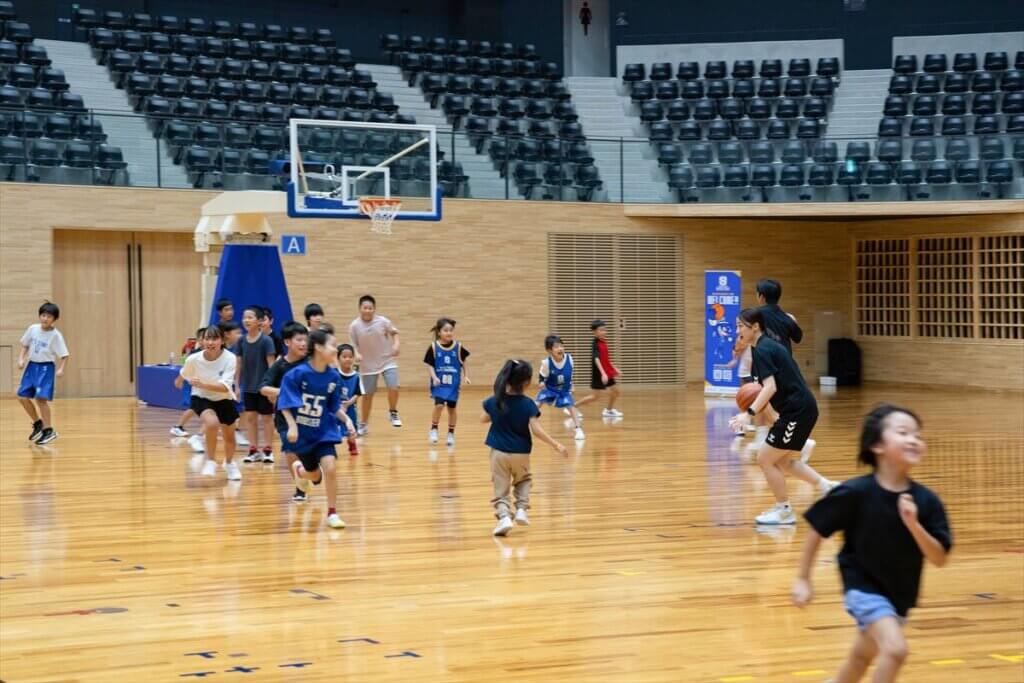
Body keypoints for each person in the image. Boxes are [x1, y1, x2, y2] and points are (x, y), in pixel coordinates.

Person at [793, 405, 952, 683]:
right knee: (896, 649)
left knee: (861, 658)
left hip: (899, 594)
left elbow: (939, 558)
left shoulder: (927, 501)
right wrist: (803, 579)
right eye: (903, 433)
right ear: (878, 445)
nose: (914, 439)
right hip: (862, 587)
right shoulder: (855, 493)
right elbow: (817, 528)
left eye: (918, 435)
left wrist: (914, 525)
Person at [729, 308, 836, 525]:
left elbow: (769, 387)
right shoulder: (764, 347)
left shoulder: (763, 350)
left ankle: (784, 510)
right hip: (798, 409)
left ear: (755, 327)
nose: (737, 329)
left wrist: (748, 414)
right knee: (783, 461)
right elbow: (766, 387)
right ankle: (827, 487)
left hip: (798, 411)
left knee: (765, 458)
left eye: (741, 325)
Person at [277, 328, 355, 529]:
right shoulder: (297, 374)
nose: (336, 350)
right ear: (319, 347)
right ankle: (301, 471)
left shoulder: (333, 377)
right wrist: (292, 425)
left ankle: (332, 513)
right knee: (314, 476)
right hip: (303, 434)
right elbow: (284, 402)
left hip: (324, 431)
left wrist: (347, 421)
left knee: (330, 466)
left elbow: (334, 406)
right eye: (333, 346)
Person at [482, 360, 567, 536]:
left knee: (500, 486)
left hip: (498, 453)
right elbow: (536, 430)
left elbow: (483, 419)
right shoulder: (528, 404)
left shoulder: (494, 401)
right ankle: (521, 509)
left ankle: (504, 517)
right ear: (526, 383)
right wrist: (555, 444)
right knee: (524, 480)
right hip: (521, 453)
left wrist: (498, 413)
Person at [179, 325, 241, 480]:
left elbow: (224, 387)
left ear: (222, 341)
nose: (210, 342)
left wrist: (202, 383)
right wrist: (179, 380)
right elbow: (184, 372)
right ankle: (211, 461)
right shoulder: (193, 359)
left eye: (214, 338)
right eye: (207, 338)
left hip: (223, 398)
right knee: (212, 423)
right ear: (202, 340)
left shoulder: (230, 358)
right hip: (202, 397)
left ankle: (229, 463)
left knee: (229, 438)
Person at [259, 322, 310, 501]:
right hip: (285, 418)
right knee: (290, 452)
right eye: (299, 340)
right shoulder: (280, 365)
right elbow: (264, 388)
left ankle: (307, 475)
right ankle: (300, 488)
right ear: (288, 342)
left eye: (306, 340)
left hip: (309, 417)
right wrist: (284, 393)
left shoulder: (311, 363)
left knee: (308, 456)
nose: (304, 344)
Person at [17, 301, 70, 445]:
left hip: (45, 368)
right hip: (31, 366)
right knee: (22, 396)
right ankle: (38, 424)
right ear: (40, 316)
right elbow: (25, 345)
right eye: (43, 315)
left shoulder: (56, 335)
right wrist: (21, 359)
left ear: (54, 319)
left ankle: (49, 430)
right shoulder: (33, 329)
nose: (45, 318)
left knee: (41, 400)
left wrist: (61, 369)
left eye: (49, 316)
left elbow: (64, 355)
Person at [348, 295, 402, 433]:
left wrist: (396, 345)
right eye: (365, 308)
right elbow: (353, 344)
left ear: (374, 309)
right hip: (367, 365)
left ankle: (392, 412)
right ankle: (364, 424)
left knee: (394, 387)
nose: (367, 310)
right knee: (368, 396)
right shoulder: (354, 325)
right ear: (360, 309)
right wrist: (357, 354)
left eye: (370, 308)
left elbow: (394, 333)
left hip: (387, 360)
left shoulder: (383, 321)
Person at [236, 306, 277, 463]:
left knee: (267, 418)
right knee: (251, 418)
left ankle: (268, 449)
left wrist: (271, 389)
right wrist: (237, 386)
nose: (246, 320)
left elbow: (272, 366)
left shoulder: (266, 341)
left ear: (259, 321)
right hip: (248, 387)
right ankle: (253, 450)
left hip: (264, 388)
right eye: (244, 317)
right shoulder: (241, 341)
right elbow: (238, 364)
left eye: (250, 317)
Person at [424, 317, 470, 447]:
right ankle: (434, 428)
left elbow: (464, 361)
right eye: (446, 330)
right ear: (439, 332)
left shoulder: (458, 347)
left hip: (453, 384)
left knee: (452, 409)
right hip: (439, 383)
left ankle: (451, 433)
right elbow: (430, 365)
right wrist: (434, 377)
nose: (449, 333)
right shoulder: (433, 347)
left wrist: (466, 375)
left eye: (451, 330)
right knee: (439, 406)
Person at [535, 334, 585, 441]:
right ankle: (522, 422)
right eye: (556, 347)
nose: (560, 348)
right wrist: (541, 383)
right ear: (549, 350)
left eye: (561, 346)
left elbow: (569, 374)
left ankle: (578, 429)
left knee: (571, 407)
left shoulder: (570, 359)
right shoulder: (546, 363)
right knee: (536, 405)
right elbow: (542, 376)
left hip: (563, 390)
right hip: (550, 388)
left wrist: (571, 384)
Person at [577, 319, 622, 418]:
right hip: (599, 374)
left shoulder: (604, 342)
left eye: (604, 330)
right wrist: (603, 373)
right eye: (601, 330)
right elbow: (596, 359)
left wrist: (614, 368)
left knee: (616, 392)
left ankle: (608, 410)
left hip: (607, 372)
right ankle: (573, 407)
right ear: (594, 332)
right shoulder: (595, 343)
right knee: (595, 397)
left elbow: (606, 359)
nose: (603, 332)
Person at [171, 326, 206, 437]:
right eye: (204, 338)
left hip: (201, 385)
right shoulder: (194, 354)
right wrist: (179, 380)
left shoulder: (211, 353)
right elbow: (186, 369)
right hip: (191, 384)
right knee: (194, 407)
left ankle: (205, 430)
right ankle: (178, 427)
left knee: (203, 408)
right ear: (199, 340)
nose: (208, 340)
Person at [337, 344, 363, 456]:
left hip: (351, 407)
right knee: (332, 427)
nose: (348, 359)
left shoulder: (356, 376)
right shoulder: (334, 374)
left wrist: (348, 403)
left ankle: (352, 444)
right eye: (344, 356)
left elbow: (358, 393)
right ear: (338, 358)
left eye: (350, 356)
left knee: (351, 429)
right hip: (335, 407)